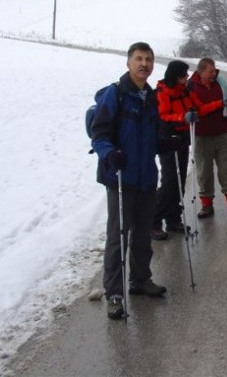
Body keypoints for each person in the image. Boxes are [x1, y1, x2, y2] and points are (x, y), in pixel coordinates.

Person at [91, 42, 167, 319]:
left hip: (146, 176)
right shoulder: (116, 94)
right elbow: (99, 135)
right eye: (138, 59)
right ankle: (113, 292)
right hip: (121, 178)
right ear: (128, 63)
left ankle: (140, 279)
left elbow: (152, 136)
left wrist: (165, 142)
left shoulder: (151, 97)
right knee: (117, 237)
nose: (144, 64)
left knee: (143, 233)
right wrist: (110, 154)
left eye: (148, 59)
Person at [151, 60, 224, 240]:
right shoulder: (162, 92)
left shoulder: (185, 91)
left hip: (183, 140)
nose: (186, 78)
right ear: (175, 76)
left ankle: (173, 219)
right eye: (183, 76)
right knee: (169, 183)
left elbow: (200, 108)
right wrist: (182, 117)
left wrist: (220, 103)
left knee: (179, 181)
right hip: (167, 141)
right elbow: (162, 116)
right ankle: (153, 221)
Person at [187, 57, 227, 218]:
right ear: (200, 71)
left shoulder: (221, 83)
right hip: (201, 136)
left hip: (222, 134)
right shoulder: (190, 86)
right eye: (210, 71)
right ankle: (206, 206)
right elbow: (187, 108)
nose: (214, 73)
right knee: (203, 173)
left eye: (214, 70)